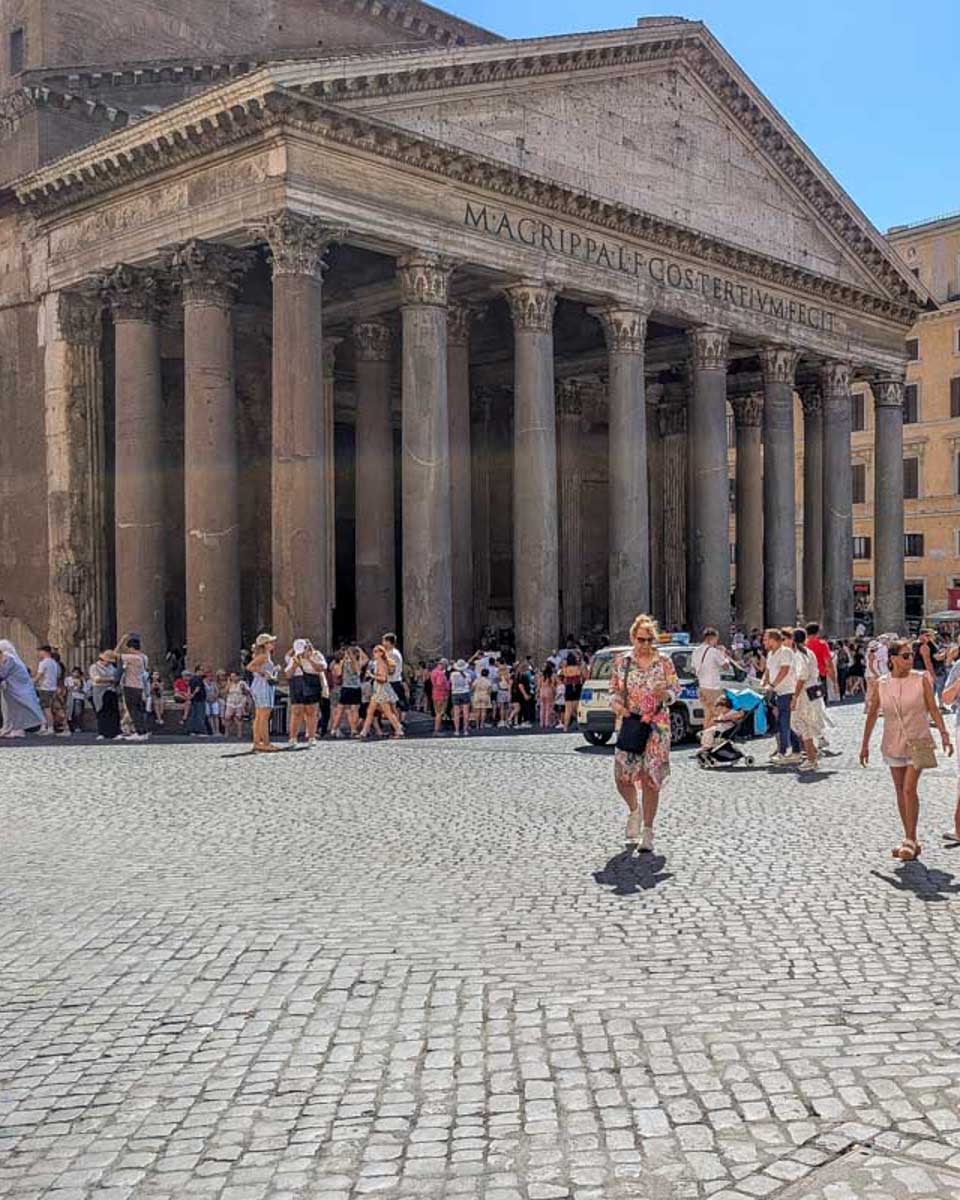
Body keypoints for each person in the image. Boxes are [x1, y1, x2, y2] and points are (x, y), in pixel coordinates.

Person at [860, 638, 953, 861]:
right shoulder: (882, 683)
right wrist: (864, 745)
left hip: (919, 741)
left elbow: (933, 708)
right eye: (905, 656)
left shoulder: (921, 679)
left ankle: (910, 840)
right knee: (900, 790)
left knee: (909, 789)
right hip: (893, 742)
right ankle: (910, 838)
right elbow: (872, 714)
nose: (910, 659)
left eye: (911, 655)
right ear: (892, 659)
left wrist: (944, 733)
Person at [609, 614, 679, 853]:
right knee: (622, 777)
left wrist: (666, 695)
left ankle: (648, 831)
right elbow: (614, 690)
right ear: (633, 638)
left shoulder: (664, 662)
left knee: (651, 779)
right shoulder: (622, 662)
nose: (646, 644)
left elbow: (676, 689)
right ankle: (634, 810)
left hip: (658, 727)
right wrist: (617, 705)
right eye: (641, 640)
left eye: (650, 640)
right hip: (631, 722)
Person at [763, 628, 801, 763]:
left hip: (787, 691)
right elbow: (768, 670)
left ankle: (783, 752)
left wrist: (772, 685)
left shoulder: (785, 652)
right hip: (777, 692)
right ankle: (797, 750)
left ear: (773, 640)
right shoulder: (770, 654)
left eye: (766, 639)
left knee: (784, 722)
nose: (764, 642)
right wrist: (764, 682)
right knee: (784, 723)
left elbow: (785, 670)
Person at [790, 628, 825, 771]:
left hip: (804, 693)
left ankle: (811, 758)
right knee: (805, 725)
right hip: (812, 691)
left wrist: (795, 696)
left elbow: (801, 678)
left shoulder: (800, 655)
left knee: (803, 725)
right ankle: (813, 754)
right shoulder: (809, 653)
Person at [284, 638, 326, 746]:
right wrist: (294, 665)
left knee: (311, 711)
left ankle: (311, 737)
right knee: (296, 711)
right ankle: (293, 738)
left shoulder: (316, 655)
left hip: (311, 682)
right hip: (297, 683)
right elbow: (288, 675)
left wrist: (309, 659)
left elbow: (322, 668)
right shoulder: (294, 658)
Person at [0, 639, 45, 737]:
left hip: (16, 690)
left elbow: (3, 673)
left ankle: (16, 729)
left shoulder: (9, 658)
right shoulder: (13, 659)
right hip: (13, 689)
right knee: (12, 710)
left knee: (16, 709)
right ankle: (11, 728)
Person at [359, 644, 404, 739]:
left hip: (381, 690)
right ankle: (364, 732)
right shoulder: (378, 663)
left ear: (381, 653)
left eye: (376, 651)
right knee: (370, 711)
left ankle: (399, 730)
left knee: (387, 712)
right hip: (378, 690)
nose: (374, 653)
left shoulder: (381, 663)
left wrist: (371, 675)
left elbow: (383, 679)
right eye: (374, 651)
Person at [247, 633, 280, 751]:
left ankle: (257, 742)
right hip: (262, 685)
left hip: (261, 685)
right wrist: (264, 672)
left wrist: (273, 670)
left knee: (260, 715)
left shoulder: (265, 655)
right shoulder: (263, 655)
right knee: (264, 715)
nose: (273, 644)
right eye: (270, 642)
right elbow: (250, 667)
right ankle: (265, 743)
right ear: (265, 644)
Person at [692, 628, 730, 727]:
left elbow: (693, 668)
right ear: (711, 638)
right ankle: (710, 734)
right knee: (716, 714)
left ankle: (706, 733)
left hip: (702, 686)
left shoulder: (696, 651)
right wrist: (724, 654)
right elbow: (726, 667)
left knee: (708, 713)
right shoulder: (714, 651)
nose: (716, 642)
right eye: (716, 639)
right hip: (713, 687)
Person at [116, 633, 150, 740]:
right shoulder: (144, 657)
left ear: (131, 648)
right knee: (138, 709)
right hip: (140, 685)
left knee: (133, 710)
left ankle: (139, 732)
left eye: (128, 649)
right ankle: (143, 731)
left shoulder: (132, 657)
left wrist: (122, 640)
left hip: (131, 685)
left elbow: (114, 654)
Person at [330, 645, 367, 738]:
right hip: (354, 688)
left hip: (347, 688)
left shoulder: (346, 662)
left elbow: (339, 673)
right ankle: (353, 730)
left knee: (342, 709)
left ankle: (335, 729)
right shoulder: (354, 662)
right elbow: (361, 666)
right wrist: (360, 651)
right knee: (352, 710)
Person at [88, 649, 121, 740]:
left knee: (113, 712)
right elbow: (96, 679)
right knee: (102, 712)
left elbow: (116, 676)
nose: (109, 663)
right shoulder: (94, 667)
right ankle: (103, 732)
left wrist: (113, 680)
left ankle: (115, 732)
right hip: (100, 691)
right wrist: (110, 679)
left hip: (111, 690)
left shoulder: (111, 667)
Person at [34, 644, 67, 735]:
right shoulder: (54, 663)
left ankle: (50, 727)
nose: (39, 653)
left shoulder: (43, 663)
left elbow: (39, 676)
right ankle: (54, 727)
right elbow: (58, 675)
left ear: (44, 652)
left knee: (46, 709)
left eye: (40, 651)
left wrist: (31, 682)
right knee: (56, 708)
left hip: (45, 688)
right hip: (53, 688)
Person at [805, 623, 837, 704]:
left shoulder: (804, 644)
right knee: (820, 703)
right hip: (819, 676)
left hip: (805, 677)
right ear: (818, 632)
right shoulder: (822, 644)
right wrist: (834, 682)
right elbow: (828, 664)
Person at [383, 633, 406, 718]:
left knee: (394, 705)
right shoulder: (391, 652)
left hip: (393, 682)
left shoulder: (392, 654)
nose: (383, 643)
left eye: (384, 641)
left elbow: (391, 670)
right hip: (393, 681)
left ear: (389, 642)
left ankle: (398, 722)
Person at [559, 652, 584, 731]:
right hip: (577, 686)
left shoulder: (565, 669)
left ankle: (565, 727)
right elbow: (581, 675)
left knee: (568, 709)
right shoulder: (578, 668)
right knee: (577, 708)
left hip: (569, 687)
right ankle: (580, 725)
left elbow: (561, 676)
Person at [223, 671, 251, 739]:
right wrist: (228, 684)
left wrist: (243, 689)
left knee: (238, 718)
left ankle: (239, 733)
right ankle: (226, 733)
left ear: (238, 677)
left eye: (234, 676)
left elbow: (248, 692)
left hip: (239, 702)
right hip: (230, 702)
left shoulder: (242, 683)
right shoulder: (230, 683)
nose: (233, 678)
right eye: (231, 676)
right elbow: (225, 692)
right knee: (227, 717)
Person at [449, 658, 472, 737]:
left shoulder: (453, 674)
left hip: (455, 693)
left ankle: (457, 730)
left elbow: (451, 682)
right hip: (465, 692)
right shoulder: (467, 674)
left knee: (456, 713)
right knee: (466, 712)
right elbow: (469, 683)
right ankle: (465, 730)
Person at [183, 672, 210, 736]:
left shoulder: (191, 680)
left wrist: (190, 696)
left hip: (194, 700)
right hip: (200, 699)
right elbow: (197, 688)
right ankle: (201, 731)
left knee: (194, 715)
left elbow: (189, 688)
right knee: (200, 715)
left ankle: (192, 731)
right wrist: (193, 694)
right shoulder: (198, 679)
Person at [429, 658, 451, 735]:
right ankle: (436, 730)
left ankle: (437, 728)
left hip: (435, 693)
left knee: (437, 712)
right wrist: (447, 685)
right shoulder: (440, 673)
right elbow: (439, 684)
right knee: (440, 713)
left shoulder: (433, 672)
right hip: (441, 694)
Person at [65, 666, 88, 732]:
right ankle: (70, 726)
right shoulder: (68, 679)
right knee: (70, 713)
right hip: (70, 697)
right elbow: (67, 688)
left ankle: (77, 726)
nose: (75, 674)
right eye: (74, 672)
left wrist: (79, 688)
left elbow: (85, 690)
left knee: (77, 712)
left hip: (79, 697)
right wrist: (73, 686)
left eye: (77, 673)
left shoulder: (82, 680)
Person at [538, 661, 556, 728]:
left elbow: (539, 684)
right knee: (548, 707)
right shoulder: (552, 676)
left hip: (542, 691)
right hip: (548, 691)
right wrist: (554, 693)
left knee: (542, 708)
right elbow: (552, 685)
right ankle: (547, 722)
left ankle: (541, 723)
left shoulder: (542, 675)